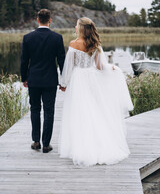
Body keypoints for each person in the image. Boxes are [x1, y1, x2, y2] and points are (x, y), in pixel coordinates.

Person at [58, 17, 133, 166]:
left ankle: (81, 146)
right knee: (93, 110)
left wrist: (63, 83)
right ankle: (98, 144)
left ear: (81, 28)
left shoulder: (74, 44)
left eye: (76, 25)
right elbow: (100, 67)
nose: (75, 26)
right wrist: (113, 68)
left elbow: (68, 67)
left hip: (78, 79)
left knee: (79, 112)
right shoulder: (95, 45)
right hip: (91, 80)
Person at [20, 9, 65, 153]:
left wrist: (24, 78)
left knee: (34, 109)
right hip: (50, 80)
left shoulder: (28, 38)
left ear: (37, 20)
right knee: (49, 111)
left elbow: (24, 61)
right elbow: (62, 61)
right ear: (50, 20)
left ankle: (36, 142)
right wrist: (63, 80)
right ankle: (46, 144)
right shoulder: (57, 38)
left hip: (33, 79)